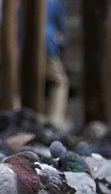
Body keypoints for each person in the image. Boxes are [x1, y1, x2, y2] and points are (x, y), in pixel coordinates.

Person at [44, 0, 69, 131]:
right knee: (60, 82)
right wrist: (62, 45)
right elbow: (62, 27)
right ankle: (55, 120)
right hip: (48, 43)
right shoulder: (57, 2)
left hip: (22, 44)